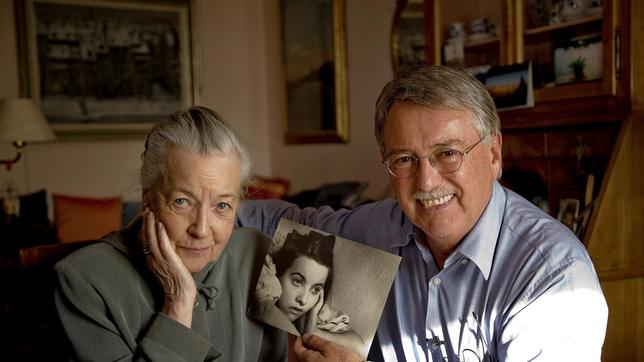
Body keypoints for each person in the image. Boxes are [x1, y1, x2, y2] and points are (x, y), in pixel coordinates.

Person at [237, 65, 608, 361]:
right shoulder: (379, 228)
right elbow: (279, 222)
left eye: (448, 153)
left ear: (494, 154)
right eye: (405, 159)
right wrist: (206, 207)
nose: (426, 182)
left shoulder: (554, 278)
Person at [54, 107, 287, 361]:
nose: (200, 229)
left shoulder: (260, 254)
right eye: (182, 202)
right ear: (148, 196)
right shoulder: (83, 281)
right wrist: (178, 304)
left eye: (222, 206)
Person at [251, 229, 366, 357]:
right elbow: (263, 308)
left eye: (315, 289)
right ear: (278, 272)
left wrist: (312, 330)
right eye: (298, 281)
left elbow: (361, 348)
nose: (304, 300)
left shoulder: (318, 313)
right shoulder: (263, 286)